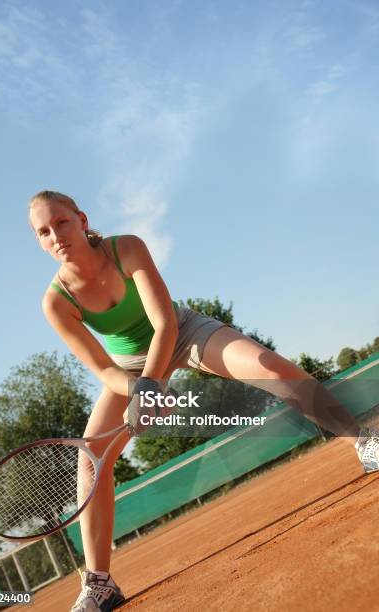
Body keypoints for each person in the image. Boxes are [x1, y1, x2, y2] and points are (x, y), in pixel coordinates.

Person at [29, 190, 379, 612]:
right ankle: (100, 583)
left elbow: (163, 325)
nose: (55, 236)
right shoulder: (55, 301)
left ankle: (364, 443)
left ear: (81, 220)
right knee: (90, 456)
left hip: (183, 331)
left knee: (269, 368)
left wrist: (152, 386)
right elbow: (103, 370)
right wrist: (140, 388)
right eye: (44, 232)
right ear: (40, 241)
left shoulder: (127, 248)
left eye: (61, 223)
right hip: (127, 371)